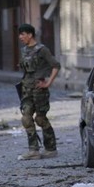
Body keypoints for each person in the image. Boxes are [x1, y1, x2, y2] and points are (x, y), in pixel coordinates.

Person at [17, 24, 61, 160]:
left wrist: (48, 82)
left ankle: (51, 148)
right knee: (26, 118)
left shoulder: (42, 50)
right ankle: (33, 150)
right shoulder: (24, 50)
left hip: (39, 90)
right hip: (26, 89)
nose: (20, 37)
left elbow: (56, 65)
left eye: (23, 34)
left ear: (30, 35)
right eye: (20, 34)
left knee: (40, 119)